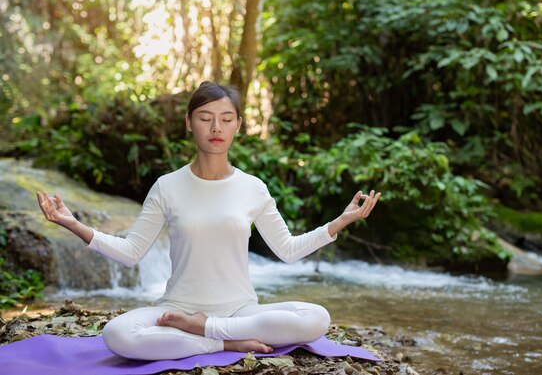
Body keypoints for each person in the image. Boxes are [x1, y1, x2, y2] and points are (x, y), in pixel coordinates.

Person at [36, 81, 381, 361]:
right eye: (205, 117)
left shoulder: (253, 187)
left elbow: (288, 250)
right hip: (177, 309)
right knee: (116, 334)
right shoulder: (167, 186)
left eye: (226, 118)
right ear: (189, 123)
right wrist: (72, 223)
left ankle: (207, 330)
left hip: (242, 311)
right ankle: (222, 343)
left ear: (238, 125)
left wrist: (340, 221)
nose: (216, 127)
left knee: (317, 317)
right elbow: (131, 252)